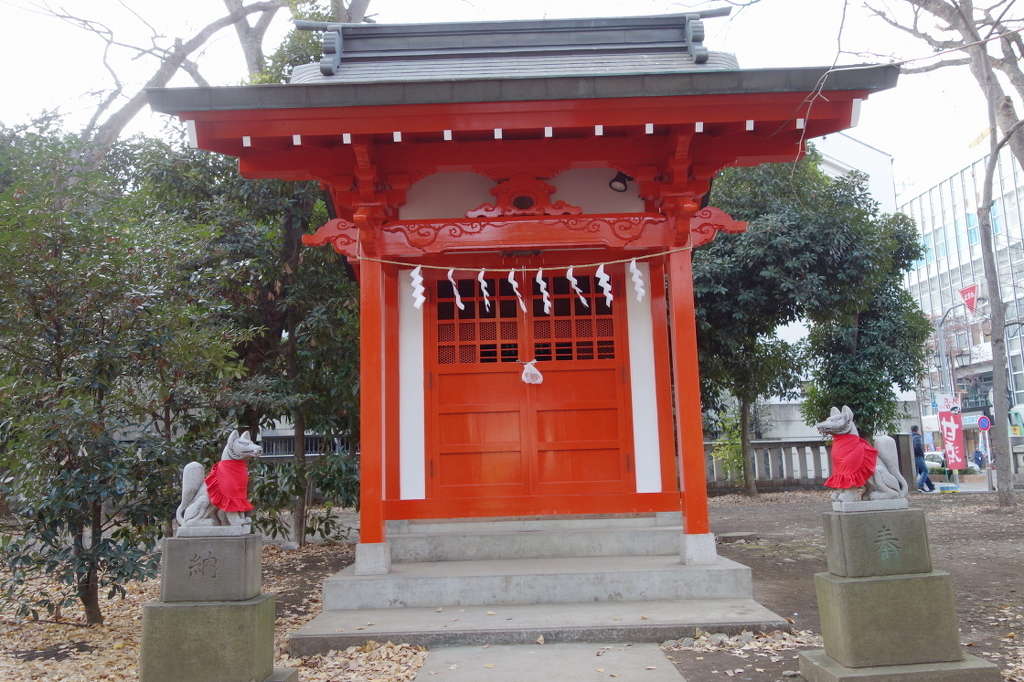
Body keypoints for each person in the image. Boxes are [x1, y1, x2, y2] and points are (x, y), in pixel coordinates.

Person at [912, 425, 935, 492]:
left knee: (920, 472)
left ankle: (930, 486)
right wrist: (921, 454)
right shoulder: (917, 437)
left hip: (913, 457)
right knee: (925, 471)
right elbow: (917, 447)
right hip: (918, 456)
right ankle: (920, 485)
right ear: (917, 430)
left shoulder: (911, 437)